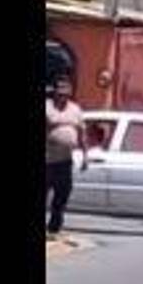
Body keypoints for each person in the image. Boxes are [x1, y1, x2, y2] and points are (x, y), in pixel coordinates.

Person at [46, 77, 87, 238]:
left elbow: (82, 133)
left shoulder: (75, 109)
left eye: (66, 89)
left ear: (70, 91)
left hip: (64, 161)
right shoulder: (47, 107)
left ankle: (54, 229)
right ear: (54, 91)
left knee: (62, 195)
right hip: (47, 160)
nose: (63, 93)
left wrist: (85, 156)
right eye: (60, 89)